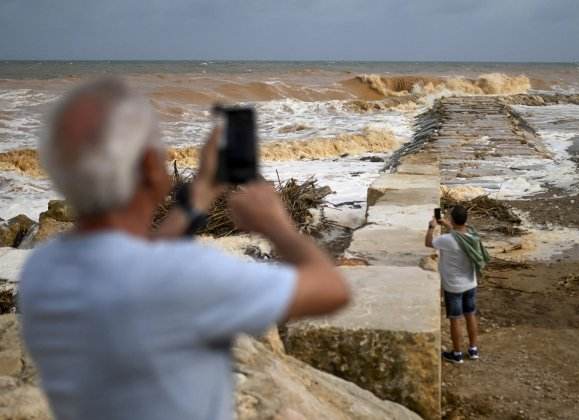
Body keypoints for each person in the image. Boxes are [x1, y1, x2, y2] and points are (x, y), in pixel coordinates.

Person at [18, 78, 350, 420]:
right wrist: (277, 226)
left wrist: (202, 192)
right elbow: (332, 289)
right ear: (150, 165)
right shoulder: (187, 275)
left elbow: (141, 267)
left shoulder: (42, 270)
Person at [425, 205, 489, 364]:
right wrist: (446, 224)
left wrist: (431, 227)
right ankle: (473, 349)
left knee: (455, 319)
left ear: (453, 219)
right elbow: (457, 231)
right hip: (470, 283)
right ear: (466, 220)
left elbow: (428, 242)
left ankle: (457, 353)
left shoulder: (447, 240)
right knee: (470, 315)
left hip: (453, 286)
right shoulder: (472, 235)